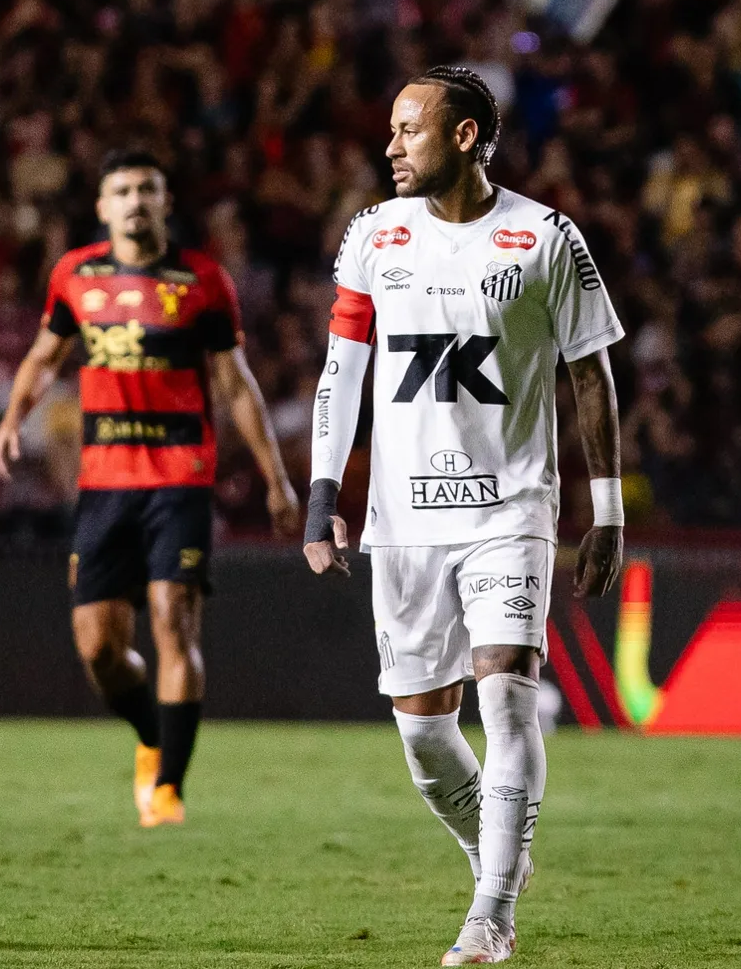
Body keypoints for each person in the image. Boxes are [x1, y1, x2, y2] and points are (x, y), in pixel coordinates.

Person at [303, 66, 625, 964]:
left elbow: (589, 373)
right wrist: (323, 495)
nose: (390, 145)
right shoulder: (375, 233)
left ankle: (490, 915)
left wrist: (609, 512)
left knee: (509, 696)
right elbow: (343, 373)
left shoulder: (545, 237)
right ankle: (498, 852)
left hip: (511, 510)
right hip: (402, 520)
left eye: (409, 129)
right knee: (422, 731)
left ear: (466, 137)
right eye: (392, 128)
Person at [0, 149, 299, 827]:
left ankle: (167, 790)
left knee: (172, 620)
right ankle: (152, 733)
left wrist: (277, 479)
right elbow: (45, 357)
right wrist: (14, 418)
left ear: (165, 204)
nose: (135, 200)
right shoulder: (76, 274)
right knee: (99, 648)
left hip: (180, 478)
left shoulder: (201, 280)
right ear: (103, 207)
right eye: (122, 190)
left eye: (147, 190)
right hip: (104, 483)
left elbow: (235, 384)